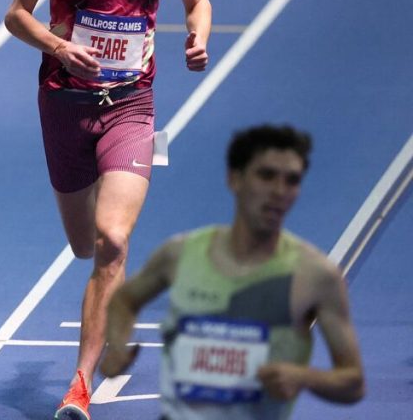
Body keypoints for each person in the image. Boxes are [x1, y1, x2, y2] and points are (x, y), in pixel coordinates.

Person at [2, 0, 211, 417]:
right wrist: (58, 47)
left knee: (112, 241)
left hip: (131, 104)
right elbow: (16, 14)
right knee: (82, 244)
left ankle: (79, 386)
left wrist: (198, 36)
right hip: (65, 103)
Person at [100, 124, 365, 419]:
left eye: (291, 181)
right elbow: (125, 299)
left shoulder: (316, 276)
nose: (279, 191)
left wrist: (304, 377)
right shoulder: (179, 254)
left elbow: (352, 381)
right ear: (234, 179)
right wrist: (117, 347)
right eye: (266, 176)